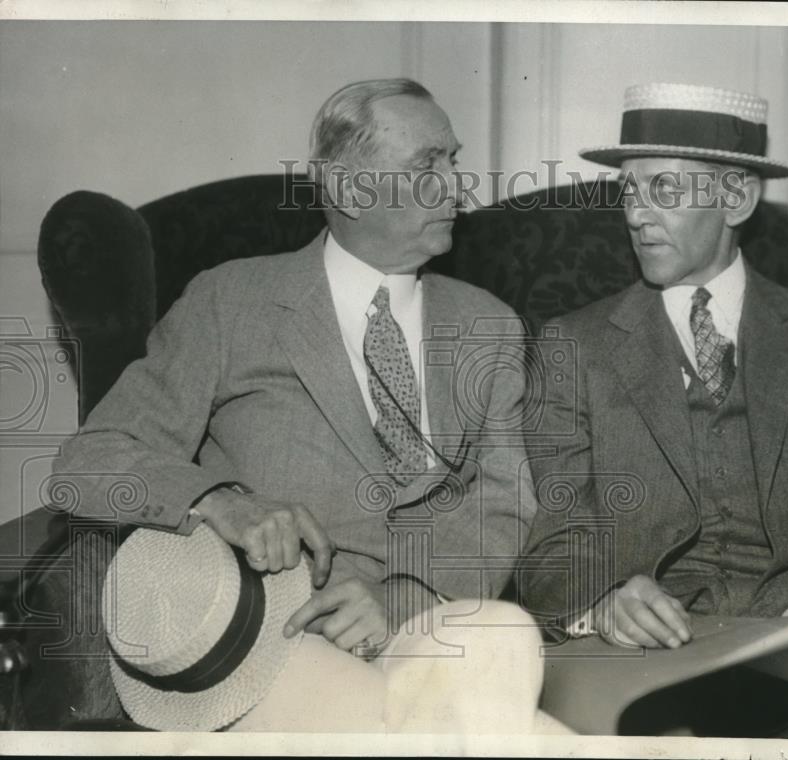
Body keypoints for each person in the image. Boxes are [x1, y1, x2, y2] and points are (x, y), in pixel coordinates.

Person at [53, 78, 562, 734]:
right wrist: (218, 500)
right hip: (275, 638)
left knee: (501, 631)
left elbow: (503, 498)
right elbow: (87, 461)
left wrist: (402, 597)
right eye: (425, 166)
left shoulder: (487, 325)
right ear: (348, 189)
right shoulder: (231, 302)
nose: (456, 188)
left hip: (419, 623)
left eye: (452, 161)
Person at [519, 83, 788, 654]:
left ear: (737, 200)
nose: (635, 213)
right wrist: (602, 600)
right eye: (628, 189)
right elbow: (553, 544)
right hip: (651, 651)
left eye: (664, 189)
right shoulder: (573, 345)